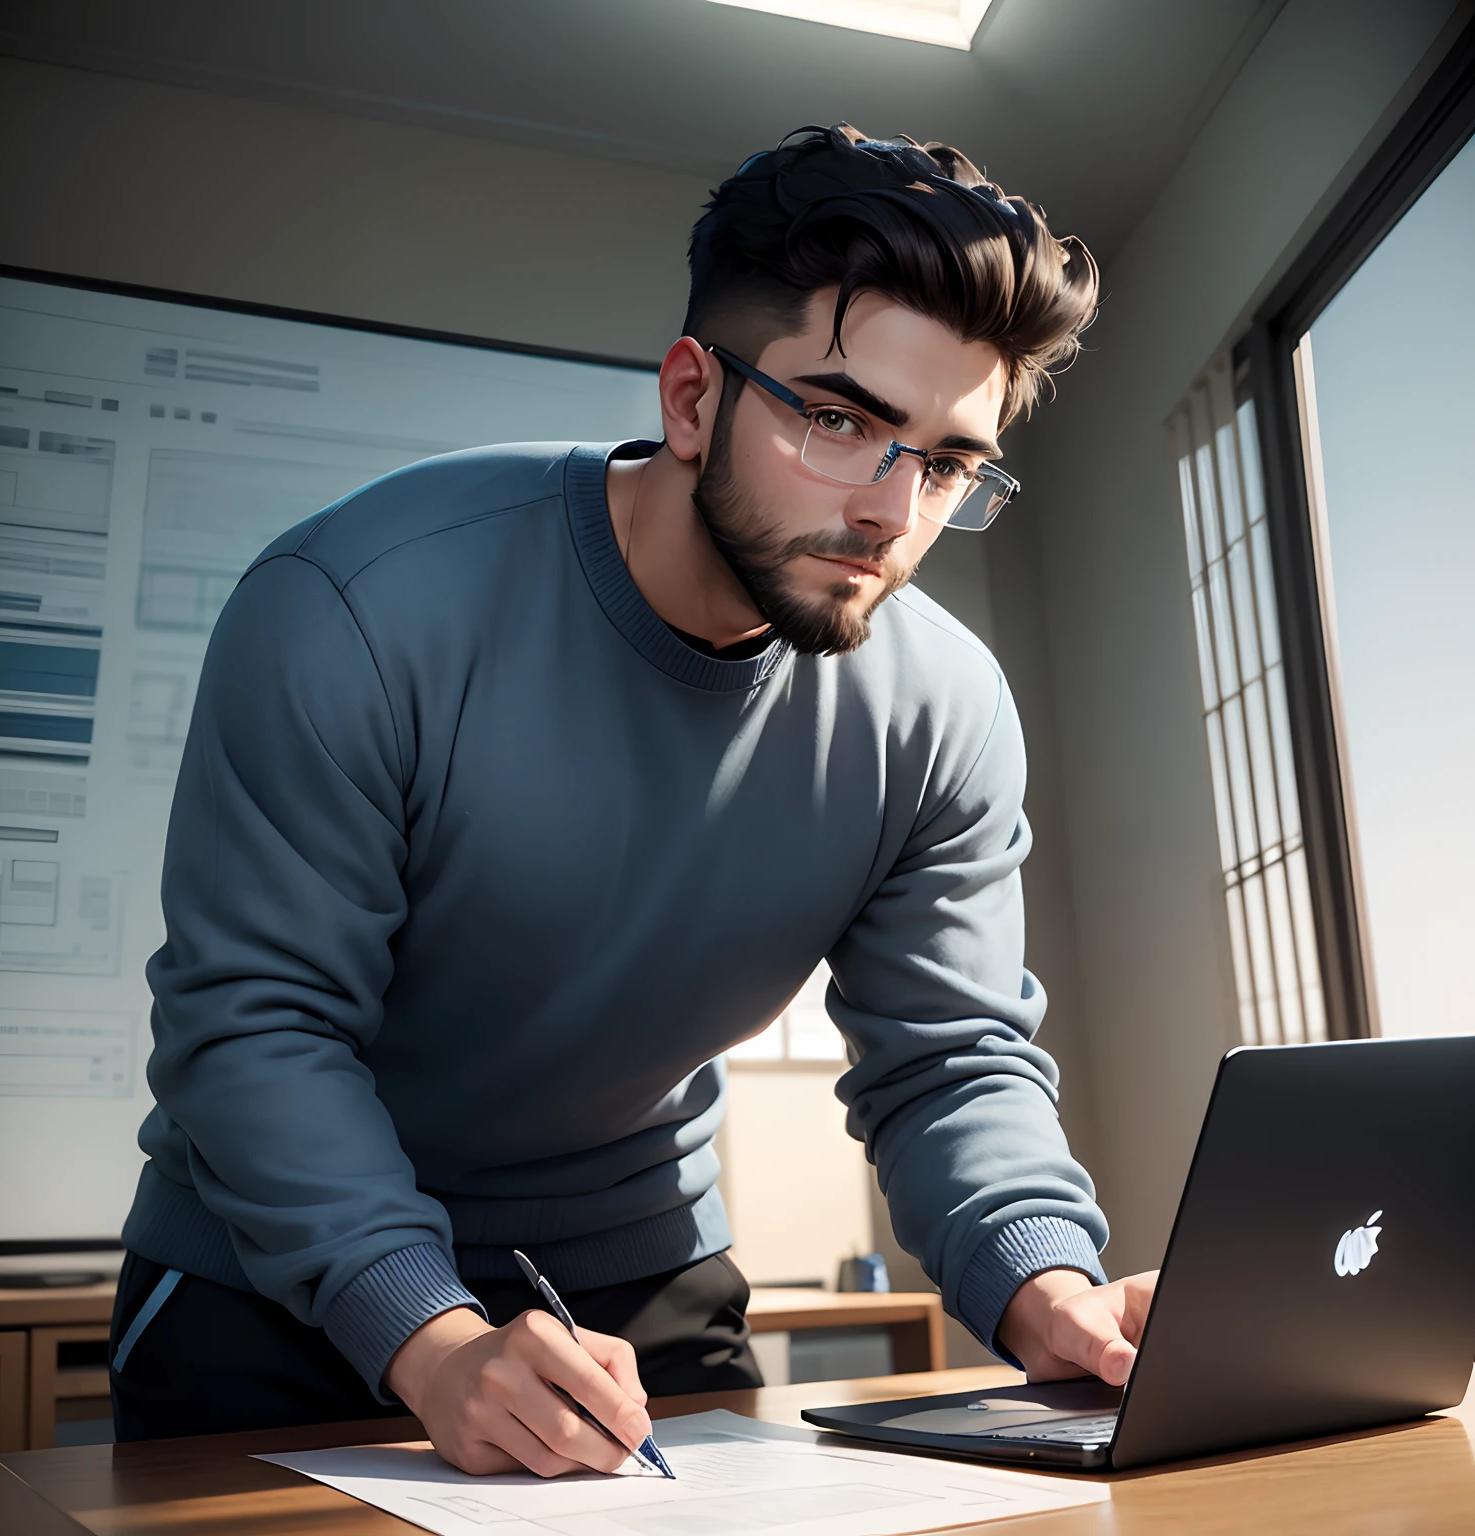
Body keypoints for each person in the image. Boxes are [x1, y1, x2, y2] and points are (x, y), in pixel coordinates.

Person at [109, 124, 1155, 1474]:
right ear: (689, 399)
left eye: (949, 462)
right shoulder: (355, 606)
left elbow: (949, 1057)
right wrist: (431, 1339)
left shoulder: (943, 708)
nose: (893, 513)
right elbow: (258, 1025)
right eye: (841, 422)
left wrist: (1051, 1291)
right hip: (266, 1288)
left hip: (639, 1280)